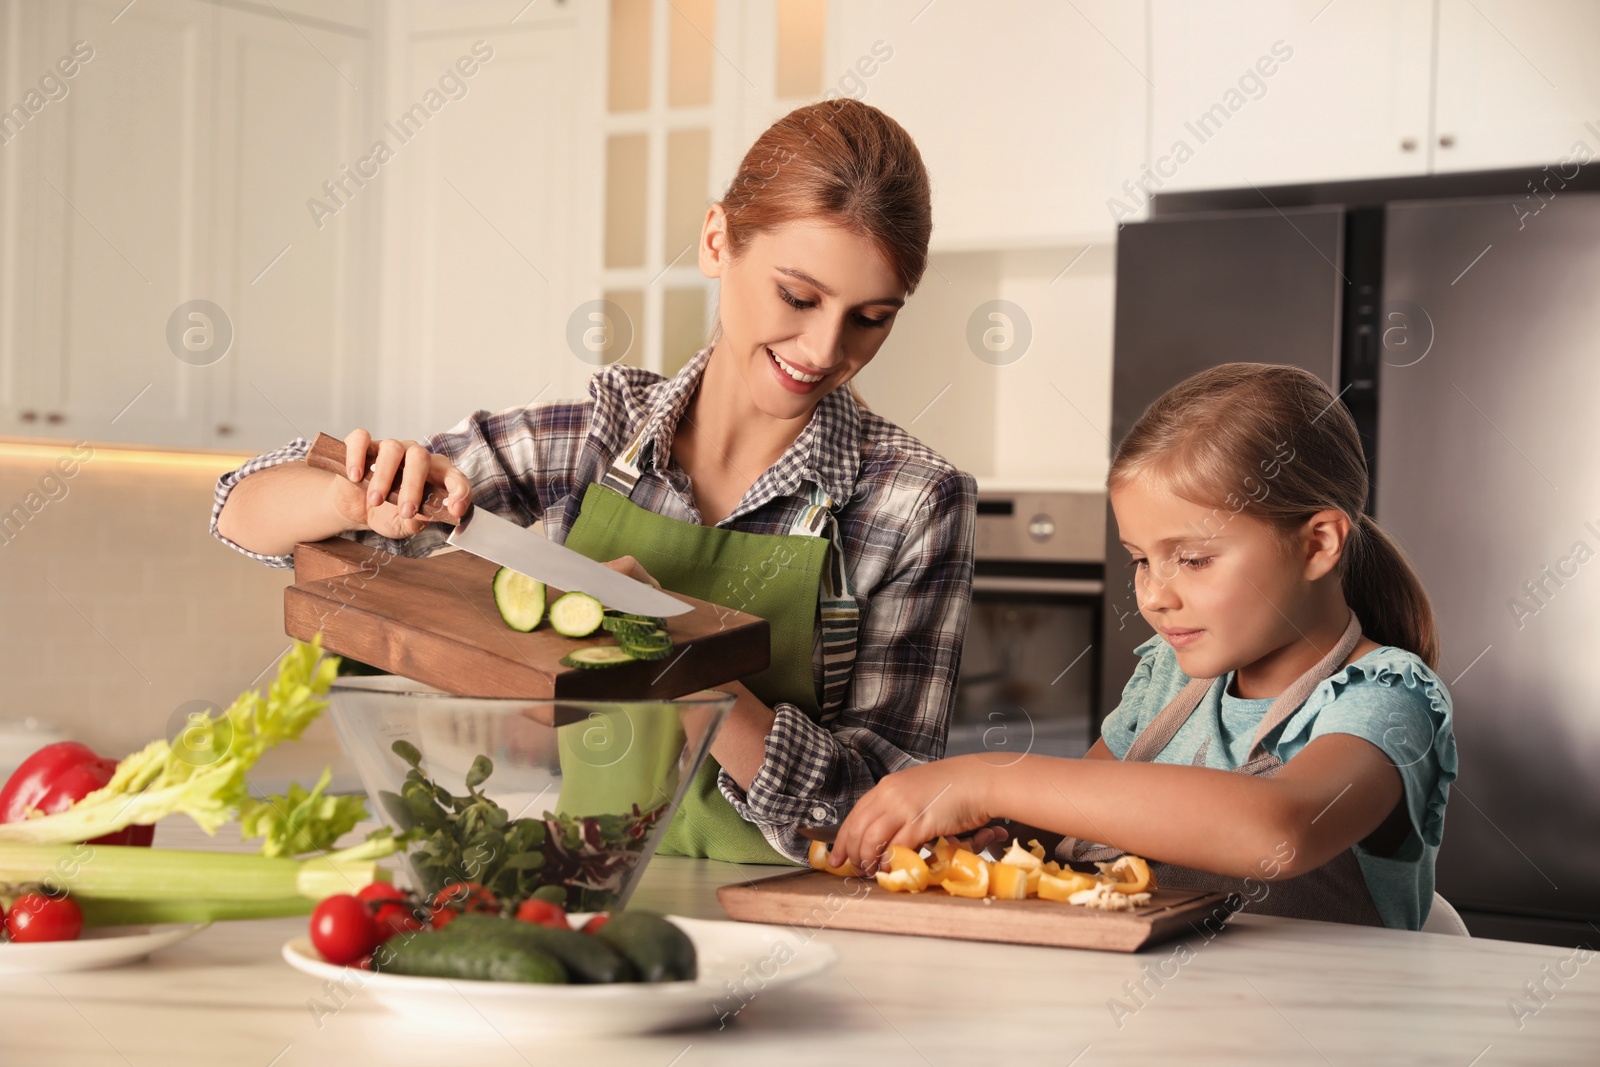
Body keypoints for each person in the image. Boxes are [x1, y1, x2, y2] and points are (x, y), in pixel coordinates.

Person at [211, 99, 977, 865]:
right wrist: (353, 499)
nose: (822, 347)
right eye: (799, 297)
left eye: (870, 317)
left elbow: (884, 814)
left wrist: (673, 658)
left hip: (798, 922)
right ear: (717, 241)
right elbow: (238, 508)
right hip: (584, 899)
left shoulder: (913, 502)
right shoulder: (587, 438)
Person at [829, 363, 1458, 929]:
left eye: (1192, 559)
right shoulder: (1168, 678)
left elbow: (1278, 830)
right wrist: (977, 834)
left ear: (1318, 543)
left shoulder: (1386, 698)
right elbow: (1074, 811)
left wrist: (984, 777)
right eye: (1140, 561)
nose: (1154, 596)